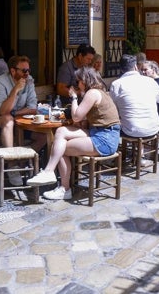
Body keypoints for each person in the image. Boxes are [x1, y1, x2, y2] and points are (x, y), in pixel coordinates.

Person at [27, 67, 120, 200]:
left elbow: (76, 117)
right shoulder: (100, 92)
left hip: (105, 139)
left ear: (84, 81)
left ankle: (64, 188)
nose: (77, 85)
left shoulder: (92, 93)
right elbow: (84, 119)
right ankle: (49, 172)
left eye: (78, 82)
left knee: (62, 149)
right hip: (102, 133)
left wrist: (74, 97)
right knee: (61, 131)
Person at [0, 56, 42, 185]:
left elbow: (33, 108)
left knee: (43, 137)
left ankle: (22, 161)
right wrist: (15, 90)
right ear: (13, 71)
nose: (27, 74)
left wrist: (14, 112)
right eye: (24, 71)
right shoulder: (0, 82)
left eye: (28, 70)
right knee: (8, 121)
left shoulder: (29, 80)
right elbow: (3, 112)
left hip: (18, 121)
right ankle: (12, 166)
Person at [110, 54, 159, 139]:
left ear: (121, 69)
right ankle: (142, 149)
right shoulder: (150, 81)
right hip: (153, 129)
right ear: (136, 67)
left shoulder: (116, 84)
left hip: (130, 130)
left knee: (112, 125)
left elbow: (113, 109)